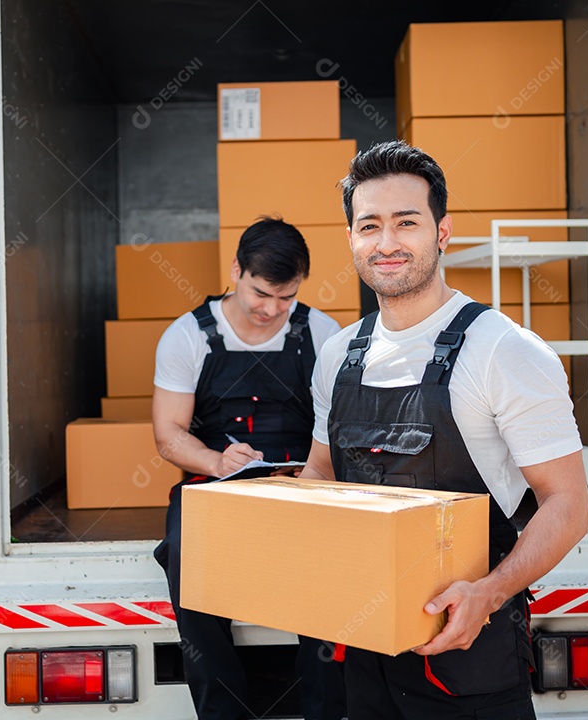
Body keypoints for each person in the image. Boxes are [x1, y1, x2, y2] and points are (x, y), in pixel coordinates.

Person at [299, 140, 588, 719]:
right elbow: (321, 474)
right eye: (369, 226)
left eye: (406, 223)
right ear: (351, 238)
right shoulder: (338, 355)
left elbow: (568, 503)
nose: (386, 243)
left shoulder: (502, 350)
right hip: (365, 646)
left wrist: (487, 593)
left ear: (442, 231)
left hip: (469, 657)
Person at [151, 217, 347, 720]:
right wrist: (217, 461)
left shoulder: (323, 334)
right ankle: (224, 712)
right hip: (212, 482)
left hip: (306, 481)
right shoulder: (186, 337)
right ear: (236, 270)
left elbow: (341, 425)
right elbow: (168, 434)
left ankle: (324, 710)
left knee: (337, 571)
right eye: (262, 294)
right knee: (187, 565)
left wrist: (312, 474)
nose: (272, 310)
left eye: (286, 298)